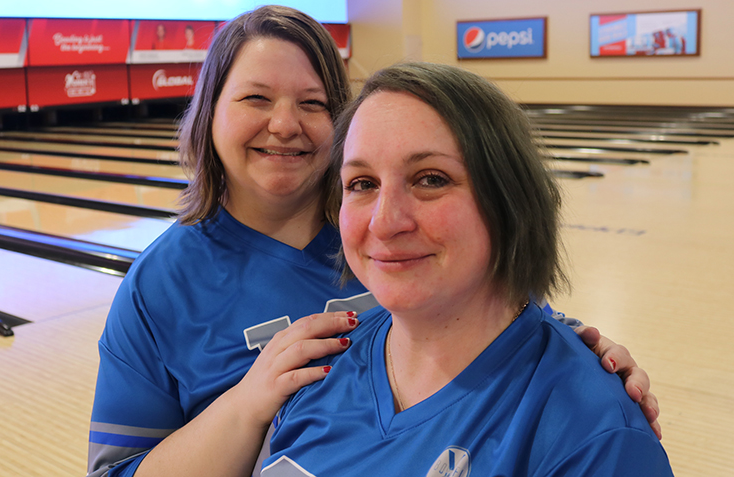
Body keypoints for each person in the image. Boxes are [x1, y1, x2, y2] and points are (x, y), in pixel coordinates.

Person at [87, 6, 659, 477]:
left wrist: (582, 355)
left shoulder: (387, 240)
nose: (284, 124)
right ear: (208, 112)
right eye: (255, 99)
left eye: (313, 103)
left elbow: (502, 326)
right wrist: (247, 403)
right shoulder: (158, 285)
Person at [262, 62, 673, 476]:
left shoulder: (592, 436)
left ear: (511, 200)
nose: (384, 222)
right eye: (362, 183)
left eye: (430, 179)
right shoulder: (317, 367)